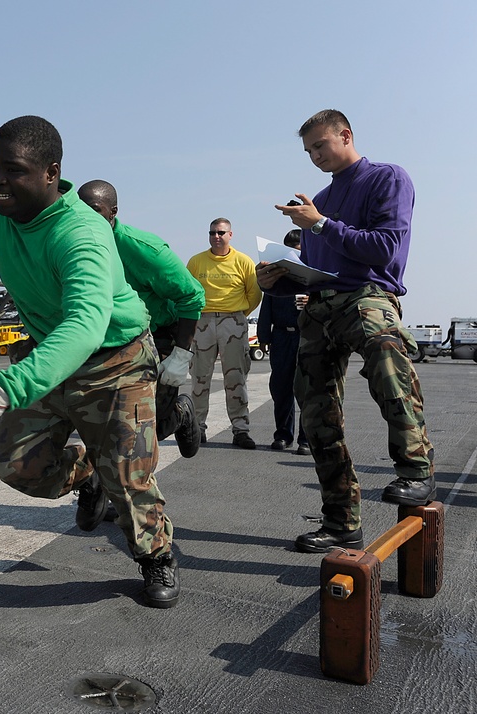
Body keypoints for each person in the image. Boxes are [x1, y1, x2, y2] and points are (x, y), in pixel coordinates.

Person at [0, 116, 179, 609]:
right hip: (47, 351)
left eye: (13, 170)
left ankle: (157, 554)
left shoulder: (81, 235)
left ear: (51, 172)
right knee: (16, 465)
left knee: (130, 478)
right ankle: (89, 472)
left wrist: (2, 390)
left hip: (114, 363)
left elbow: (83, 327)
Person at [263, 109, 436, 553]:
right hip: (320, 306)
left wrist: (319, 222)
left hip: (367, 295)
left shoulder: (386, 178)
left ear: (346, 135)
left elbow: (384, 249)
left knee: (384, 351)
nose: (315, 155)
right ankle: (341, 521)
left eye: (321, 145)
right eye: (308, 151)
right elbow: (320, 269)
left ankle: (416, 469)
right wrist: (279, 280)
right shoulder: (319, 197)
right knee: (317, 413)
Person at [76, 180, 205, 458]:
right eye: (80, 209)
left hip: (161, 336)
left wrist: (181, 355)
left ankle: (180, 413)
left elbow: (192, 296)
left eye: (95, 210)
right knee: (111, 426)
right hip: (111, 341)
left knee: (149, 431)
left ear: (113, 212)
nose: (86, 217)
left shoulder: (145, 250)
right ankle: (99, 495)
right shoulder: (74, 245)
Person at [186, 219, 262, 449]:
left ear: (230, 234)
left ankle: (240, 430)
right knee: (200, 378)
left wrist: (237, 315)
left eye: (220, 232)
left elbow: (254, 293)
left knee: (236, 378)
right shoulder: (196, 261)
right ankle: (197, 428)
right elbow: (189, 291)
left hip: (233, 320)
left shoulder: (243, 261)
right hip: (204, 321)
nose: (216, 236)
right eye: (212, 233)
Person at [256, 230, 310, 455]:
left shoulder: (312, 276)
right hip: (281, 337)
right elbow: (266, 307)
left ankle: (306, 440)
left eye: (297, 250)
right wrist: (263, 337)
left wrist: (312, 300)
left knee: (306, 390)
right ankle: (283, 435)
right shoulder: (275, 276)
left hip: (306, 337)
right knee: (281, 388)